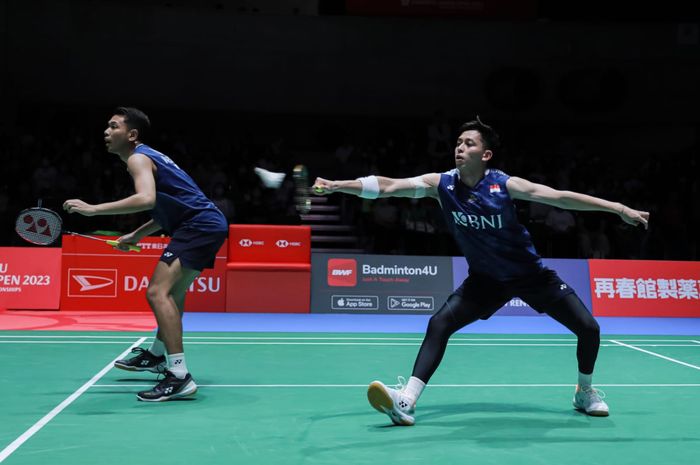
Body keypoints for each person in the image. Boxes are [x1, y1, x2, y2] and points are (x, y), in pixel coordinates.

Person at [312, 117, 649, 425]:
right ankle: (406, 400)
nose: (460, 147)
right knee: (439, 323)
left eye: (469, 143)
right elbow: (388, 186)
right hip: (485, 281)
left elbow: (560, 198)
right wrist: (339, 185)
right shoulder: (441, 185)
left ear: (486, 155)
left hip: (530, 275)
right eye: (458, 142)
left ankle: (584, 391)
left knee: (589, 328)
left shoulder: (505, 185)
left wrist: (617, 208)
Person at [63, 107, 228, 402]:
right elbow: (169, 206)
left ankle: (178, 376)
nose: (106, 131)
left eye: (113, 126)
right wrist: (136, 235)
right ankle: (156, 355)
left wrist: (93, 209)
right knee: (173, 295)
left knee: (156, 292)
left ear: (132, 134)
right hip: (204, 222)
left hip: (198, 225)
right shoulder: (150, 157)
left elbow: (146, 199)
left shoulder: (139, 158)